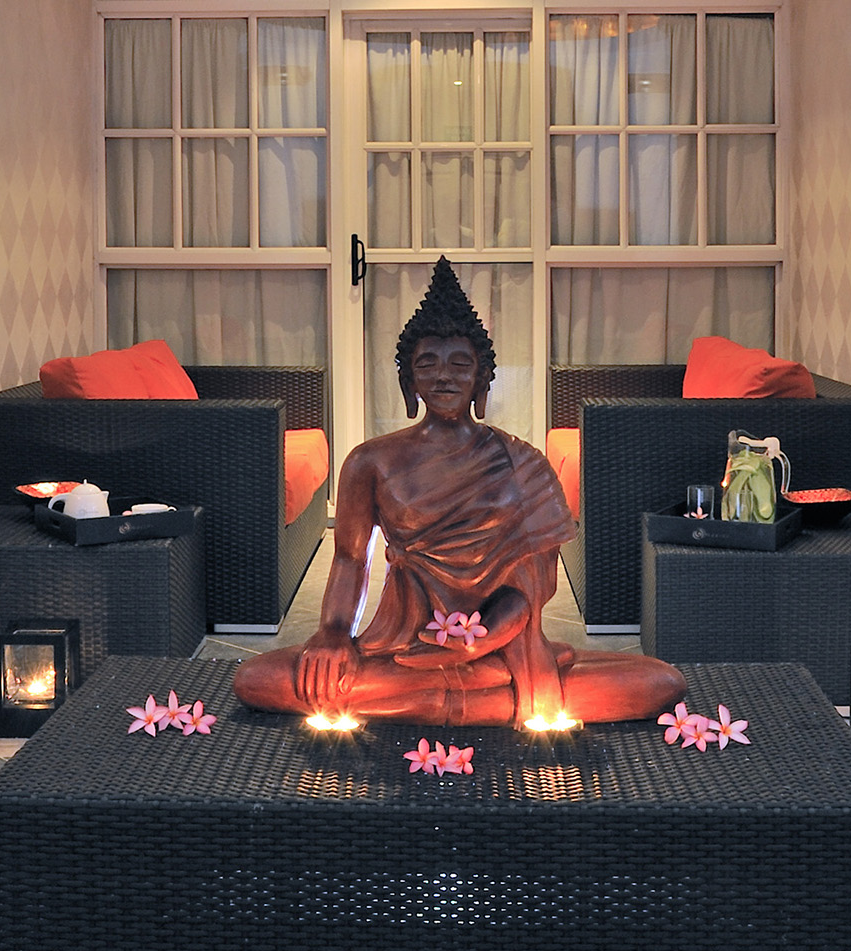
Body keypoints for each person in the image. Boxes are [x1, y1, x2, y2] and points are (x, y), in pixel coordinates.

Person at [232, 260, 684, 727]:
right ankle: (488, 706)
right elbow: (350, 558)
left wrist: (487, 634)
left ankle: (440, 703)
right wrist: (331, 632)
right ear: (408, 381)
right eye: (427, 363)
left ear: (481, 380)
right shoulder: (370, 462)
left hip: (503, 650)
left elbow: (533, 584)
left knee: (659, 681)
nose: (444, 376)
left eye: (460, 364)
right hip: (403, 645)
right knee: (257, 677)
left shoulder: (522, 463)